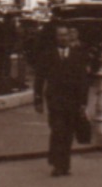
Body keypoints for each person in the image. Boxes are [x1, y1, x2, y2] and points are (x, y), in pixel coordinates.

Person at [40, 25, 94, 177]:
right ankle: (57, 164)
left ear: (69, 37)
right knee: (58, 131)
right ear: (56, 37)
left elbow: (83, 80)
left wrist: (83, 103)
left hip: (73, 101)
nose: (63, 38)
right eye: (60, 35)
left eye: (65, 35)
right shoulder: (48, 55)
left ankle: (65, 165)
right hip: (55, 100)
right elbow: (40, 78)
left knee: (68, 134)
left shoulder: (78, 55)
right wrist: (38, 99)